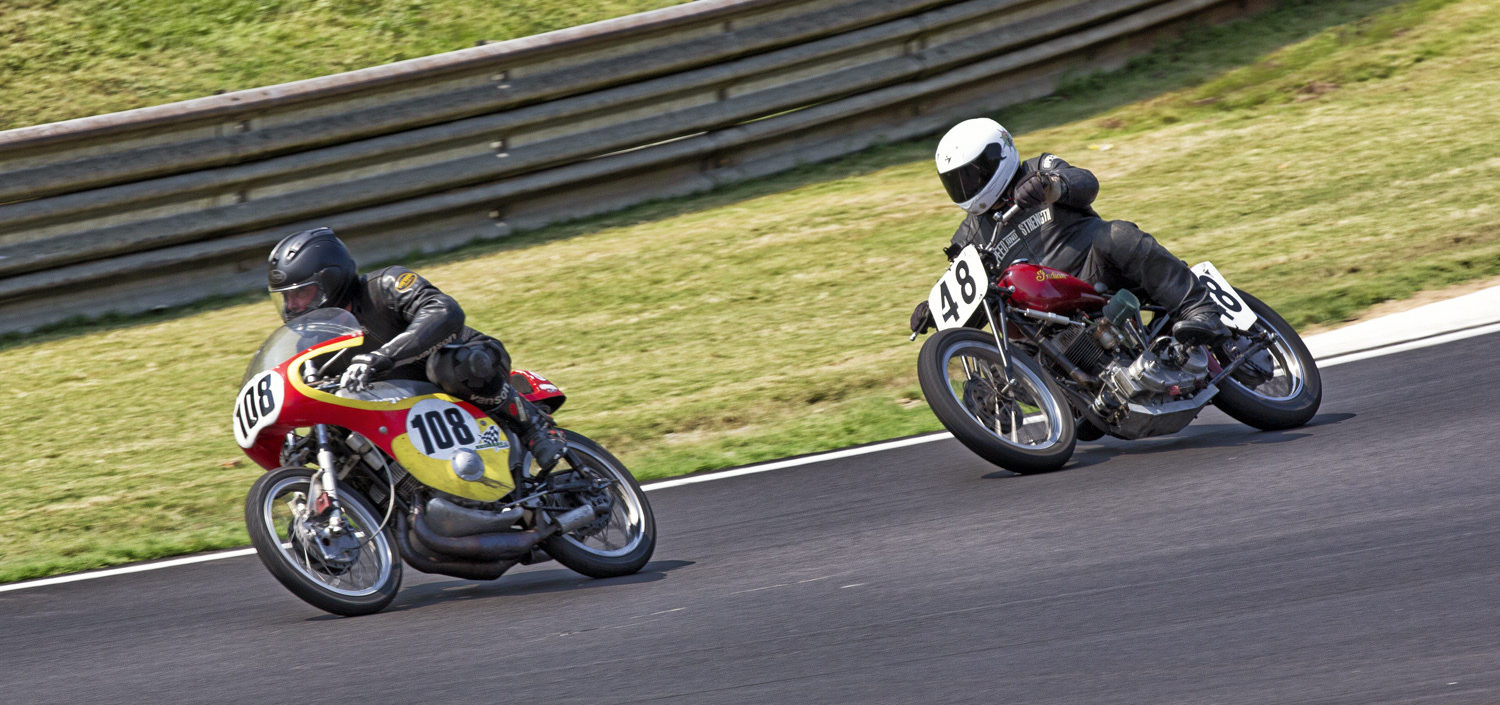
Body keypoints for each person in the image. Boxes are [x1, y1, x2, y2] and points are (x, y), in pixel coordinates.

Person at [265, 227, 567, 469]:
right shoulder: (313, 341)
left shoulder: (385, 286)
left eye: (301, 294)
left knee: (450, 364)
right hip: (409, 413)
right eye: (286, 298)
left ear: (329, 280)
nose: (292, 306)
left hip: (470, 363)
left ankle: (534, 425)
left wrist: (383, 356)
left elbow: (443, 311)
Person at [912, 117, 1229, 344]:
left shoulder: (1038, 168)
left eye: (972, 175)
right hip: (1048, 316)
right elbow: (974, 292)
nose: (967, 187)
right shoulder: (967, 236)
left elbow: (1087, 183)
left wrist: (1051, 186)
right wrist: (937, 311)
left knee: (1117, 233)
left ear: (998, 156)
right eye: (956, 181)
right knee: (1004, 335)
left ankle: (1198, 308)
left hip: (1094, 269)